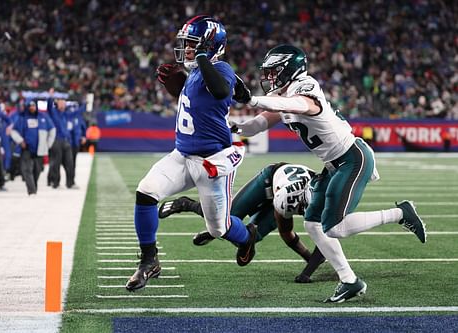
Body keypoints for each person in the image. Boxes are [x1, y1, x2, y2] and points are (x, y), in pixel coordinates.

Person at [232, 44, 427, 303]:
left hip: (351, 158)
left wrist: (252, 99)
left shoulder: (304, 87)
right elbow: (256, 125)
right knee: (313, 223)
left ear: (290, 68)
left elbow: (300, 105)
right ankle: (350, 280)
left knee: (334, 227)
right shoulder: (284, 95)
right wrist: (229, 129)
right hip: (333, 165)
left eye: (273, 71)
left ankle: (401, 212)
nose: (269, 77)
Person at [125, 15, 253, 292]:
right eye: (186, 44)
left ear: (210, 46)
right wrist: (177, 87)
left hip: (212, 162)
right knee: (146, 191)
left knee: (219, 228)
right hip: (182, 155)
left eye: (193, 45)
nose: (188, 49)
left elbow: (220, 91)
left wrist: (204, 59)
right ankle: (149, 260)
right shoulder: (197, 70)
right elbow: (198, 104)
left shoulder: (222, 69)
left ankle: (247, 238)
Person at [159, 162, 326, 283]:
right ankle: (186, 204)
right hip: (269, 180)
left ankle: (218, 231)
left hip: (284, 191)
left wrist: (310, 262)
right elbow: (286, 233)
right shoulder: (289, 199)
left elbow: (325, 240)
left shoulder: (322, 199)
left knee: (251, 236)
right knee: (225, 216)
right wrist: (309, 267)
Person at [11, 100, 56, 195]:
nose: (32, 107)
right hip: (26, 148)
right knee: (27, 170)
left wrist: (48, 144)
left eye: (33, 106)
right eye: (30, 106)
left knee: (37, 170)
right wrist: (20, 140)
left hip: (39, 149)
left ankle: (33, 186)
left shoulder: (43, 117)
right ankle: (32, 190)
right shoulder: (22, 118)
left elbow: (52, 129)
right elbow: (13, 131)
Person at [46, 89, 76, 189]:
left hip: (66, 141)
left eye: (64, 103)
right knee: (56, 163)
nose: (63, 105)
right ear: (57, 104)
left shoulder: (65, 114)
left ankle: (70, 183)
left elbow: (77, 113)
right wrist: (51, 96)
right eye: (61, 103)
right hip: (56, 140)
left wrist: (86, 104)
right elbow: (49, 105)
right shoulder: (53, 112)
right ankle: (56, 183)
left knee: (70, 163)